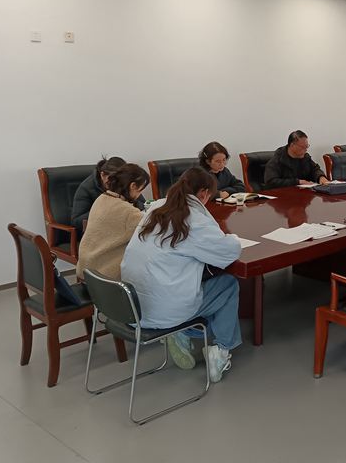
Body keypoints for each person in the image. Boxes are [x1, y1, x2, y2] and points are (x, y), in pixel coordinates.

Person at [121, 167, 243, 383]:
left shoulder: (156, 207)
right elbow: (229, 252)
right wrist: (232, 237)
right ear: (204, 193)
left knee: (197, 282)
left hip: (131, 307)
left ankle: (182, 333)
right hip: (164, 309)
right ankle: (220, 351)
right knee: (227, 285)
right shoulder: (194, 219)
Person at [77, 164, 149, 281]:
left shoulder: (101, 198)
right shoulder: (128, 212)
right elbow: (150, 229)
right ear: (132, 186)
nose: (139, 195)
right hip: (103, 277)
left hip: (86, 269)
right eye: (140, 190)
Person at [72, 156, 143, 236]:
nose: (116, 183)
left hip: (125, 229)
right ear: (102, 175)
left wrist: (132, 203)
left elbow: (144, 205)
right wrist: (103, 209)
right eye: (112, 178)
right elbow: (76, 222)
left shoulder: (124, 182)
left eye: (119, 179)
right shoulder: (86, 188)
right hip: (98, 234)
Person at [264, 130, 330, 188]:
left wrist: (321, 177)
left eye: (307, 146)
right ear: (292, 145)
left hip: (303, 194)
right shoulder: (278, 159)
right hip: (282, 195)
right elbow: (271, 182)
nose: (306, 150)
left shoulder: (305, 157)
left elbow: (315, 169)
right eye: (303, 147)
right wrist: (298, 182)